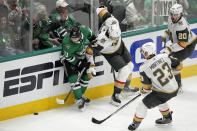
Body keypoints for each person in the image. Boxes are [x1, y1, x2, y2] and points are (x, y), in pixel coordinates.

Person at [128, 42, 181, 130]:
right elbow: (178, 65)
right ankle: (167, 117)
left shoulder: (144, 67)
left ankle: (135, 123)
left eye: (144, 52)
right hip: (175, 88)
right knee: (158, 96)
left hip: (163, 93)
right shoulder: (164, 56)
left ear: (147, 53)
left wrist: (142, 90)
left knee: (142, 105)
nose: (143, 54)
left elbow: (147, 88)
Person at [92, 7, 138, 106]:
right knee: (124, 70)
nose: (115, 38)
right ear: (108, 33)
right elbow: (92, 50)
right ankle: (115, 95)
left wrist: (102, 9)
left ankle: (126, 88)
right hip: (110, 53)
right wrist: (90, 62)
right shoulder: (102, 38)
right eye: (113, 37)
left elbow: (104, 12)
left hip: (120, 46)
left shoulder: (113, 21)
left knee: (130, 66)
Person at [160, 3, 197, 91]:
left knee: (174, 61)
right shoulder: (170, 19)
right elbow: (170, 30)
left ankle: (178, 86)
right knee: (169, 60)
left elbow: (182, 44)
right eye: (172, 14)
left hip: (188, 45)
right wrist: (165, 35)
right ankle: (172, 82)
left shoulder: (182, 26)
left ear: (181, 14)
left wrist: (169, 49)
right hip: (179, 43)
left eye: (176, 14)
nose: (173, 16)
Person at [60, 25, 96, 111]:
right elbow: (69, 58)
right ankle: (79, 99)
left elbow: (93, 37)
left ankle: (80, 95)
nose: (73, 39)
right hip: (68, 59)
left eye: (75, 38)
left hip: (81, 55)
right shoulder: (66, 42)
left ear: (80, 35)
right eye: (72, 37)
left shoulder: (84, 29)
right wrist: (80, 64)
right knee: (73, 78)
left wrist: (94, 44)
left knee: (88, 74)